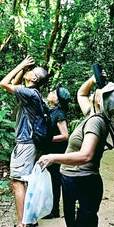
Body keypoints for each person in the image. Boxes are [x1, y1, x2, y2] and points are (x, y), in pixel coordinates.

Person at [36, 71, 114, 227]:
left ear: (101, 100)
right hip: (75, 179)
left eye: (102, 90)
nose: (98, 89)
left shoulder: (95, 122)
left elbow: (86, 156)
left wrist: (53, 158)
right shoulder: (94, 114)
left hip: (82, 181)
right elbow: (81, 93)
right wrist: (93, 79)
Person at [0, 55, 49, 227]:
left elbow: (4, 83)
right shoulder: (31, 94)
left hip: (25, 143)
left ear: (35, 79)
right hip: (30, 143)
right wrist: (23, 70)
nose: (28, 70)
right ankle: (31, 221)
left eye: (31, 71)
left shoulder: (29, 94)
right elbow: (15, 84)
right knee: (24, 180)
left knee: (17, 181)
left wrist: (20, 65)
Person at [42, 84, 71, 219]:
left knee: (55, 179)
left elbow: (65, 135)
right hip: (50, 149)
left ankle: (54, 210)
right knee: (50, 179)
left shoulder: (59, 114)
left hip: (57, 150)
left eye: (53, 92)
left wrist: (48, 139)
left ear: (58, 99)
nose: (50, 92)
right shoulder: (51, 110)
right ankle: (50, 208)